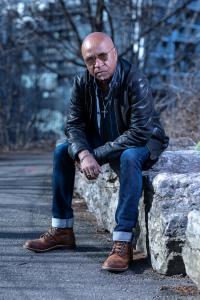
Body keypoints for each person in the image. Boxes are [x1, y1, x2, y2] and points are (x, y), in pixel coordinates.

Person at [24, 32, 169, 272]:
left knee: (129, 156)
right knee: (62, 150)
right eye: (90, 59)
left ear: (115, 54)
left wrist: (96, 155)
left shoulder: (135, 79)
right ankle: (62, 229)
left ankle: (123, 243)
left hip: (142, 139)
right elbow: (73, 124)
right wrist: (83, 153)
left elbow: (139, 132)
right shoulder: (82, 82)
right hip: (105, 136)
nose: (97, 64)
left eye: (103, 56)